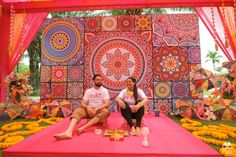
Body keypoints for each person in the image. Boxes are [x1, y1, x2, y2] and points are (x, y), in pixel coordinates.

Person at [54, 74, 110, 139]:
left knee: (106, 111)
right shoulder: (89, 91)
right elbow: (83, 103)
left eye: (100, 80)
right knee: (77, 111)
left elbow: (106, 103)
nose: (99, 81)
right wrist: (88, 107)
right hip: (89, 110)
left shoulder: (104, 91)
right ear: (93, 81)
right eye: (97, 80)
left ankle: (82, 128)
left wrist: (96, 109)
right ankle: (68, 131)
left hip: (99, 110)